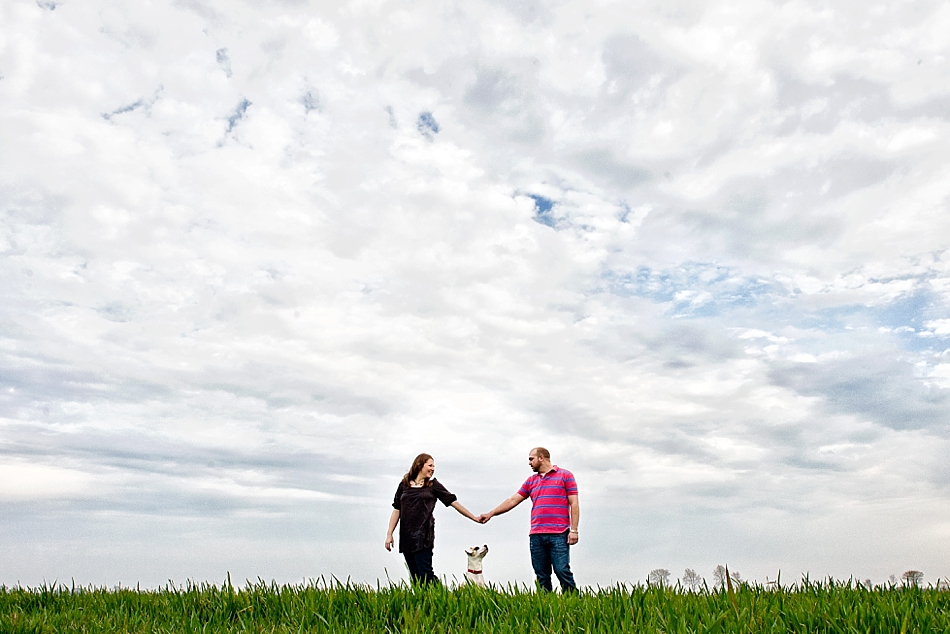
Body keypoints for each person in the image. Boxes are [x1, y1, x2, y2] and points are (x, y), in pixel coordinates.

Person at [479, 447, 579, 593]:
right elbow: (513, 500)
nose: (529, 463)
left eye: (531, 459)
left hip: (559, 532)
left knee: (561, 569)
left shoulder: (565, 475)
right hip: (536, 534)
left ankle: (573, 600)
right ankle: (545, 604)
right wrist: (491, 513)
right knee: (541, 575)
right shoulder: (531, 481)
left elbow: (574, 503)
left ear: (541, 458)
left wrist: (574, 530)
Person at [385, 453, 479, 585]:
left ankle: (441, 598)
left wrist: (474, 517)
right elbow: (397, 509)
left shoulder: (433, 485)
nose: (433, 468)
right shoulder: (404, 486)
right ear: (419, 465)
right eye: (430, 465)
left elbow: (453, 502)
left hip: (424, 536)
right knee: (415, 577)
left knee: (426, 574)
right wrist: (389, 534)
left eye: (434, 466)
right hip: (407, 537)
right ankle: (422, 602)